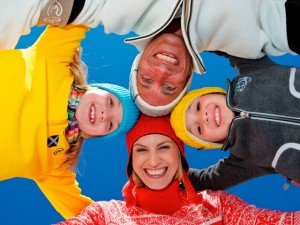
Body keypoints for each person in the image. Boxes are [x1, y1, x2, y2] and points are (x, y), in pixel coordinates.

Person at [1, 0, 299, 116]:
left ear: (139, 62)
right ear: (187, 78)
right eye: (169, 87)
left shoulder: (108, 10)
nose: (162, 73)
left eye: (146, 79)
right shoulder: (246, 41)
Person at [0, 24, 140, 219]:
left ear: (95, 135)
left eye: (110, 125)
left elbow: (87, 215)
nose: (105, 115)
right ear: (95, 87)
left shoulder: (56, 164)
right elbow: (77, 14)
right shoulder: (54, 58)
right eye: (110, 102)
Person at [55, 115, 299, 225]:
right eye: (141, 150)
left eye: (163, 147)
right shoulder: (105, 216)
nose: (153, 161)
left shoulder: (216, 207)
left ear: (180, 157)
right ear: (131, 163)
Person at [170, 54, 300, 191]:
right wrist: (168, 173)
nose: (204, 117)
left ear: (210, 93)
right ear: (211, 142)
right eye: (199, 129)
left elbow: (229, 39)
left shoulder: (253, 70)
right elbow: (203, 181)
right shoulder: (242, 158)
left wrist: (186, 38)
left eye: (197, 107)